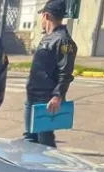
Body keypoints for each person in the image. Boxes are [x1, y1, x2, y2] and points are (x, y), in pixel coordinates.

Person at [25, 0, 77, 147]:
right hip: (33, 96)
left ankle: (50, 169)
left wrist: (57, 96)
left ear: (46, 16)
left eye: (41, 15)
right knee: (30, 139)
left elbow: (65, 72)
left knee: (44, 141)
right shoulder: (48, 37)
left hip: (46, 100)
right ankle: (33, 169)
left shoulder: (63, 40)